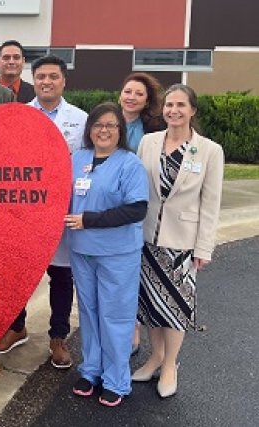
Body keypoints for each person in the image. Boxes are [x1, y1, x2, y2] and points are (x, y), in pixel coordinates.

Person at [0, 56, 87, 371]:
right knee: (18, 275)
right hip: (23, 213)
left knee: (61, 275)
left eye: (53, 77)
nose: (47, 82)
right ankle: (16, 326)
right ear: (34, 80)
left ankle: (58, 338)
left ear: (64, 81)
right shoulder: (17, 115)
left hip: (61, 213)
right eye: (41, 76)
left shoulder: (81, 120)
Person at [132, 84, 224, 399]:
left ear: (192, 110)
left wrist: (204, 247)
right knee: (151, 306)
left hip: (182, 243)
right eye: (169, 105)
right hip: (145, 239)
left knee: (176, 307)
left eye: (181, 105)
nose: (174, 111)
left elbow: (211, 204)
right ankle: (154, 357)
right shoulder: (148, 142)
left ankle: (170, 364)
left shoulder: (209, 150)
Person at [67, 102, 149, 407]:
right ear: (89, 129)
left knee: (115, 316)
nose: (103, 130)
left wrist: (90, 220)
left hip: (117, 252)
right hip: (82, 250)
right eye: (98, 125)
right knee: (88, 313)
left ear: (120, 131)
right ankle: (91, 370)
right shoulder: (78, 159)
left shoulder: (130, 163)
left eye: (110, 125)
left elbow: (136, 208)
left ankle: (116, 379)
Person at [118, 72, 166, 355]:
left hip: (141, 205)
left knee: (136, 269)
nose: (131, 97)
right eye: (128, 91)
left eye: (138, 93)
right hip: (110, 207)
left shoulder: (154, 128)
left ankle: (134, 327)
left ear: (147, 100)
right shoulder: (107, 120)